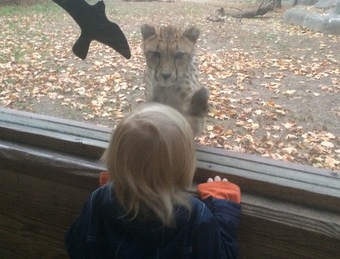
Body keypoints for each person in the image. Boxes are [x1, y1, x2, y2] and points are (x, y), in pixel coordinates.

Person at [66, 103, 241, 259]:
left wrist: (120, 187)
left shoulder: (98, 201)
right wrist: (223, 207)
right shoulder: (196, 218)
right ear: (185, 167)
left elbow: (75, 245)